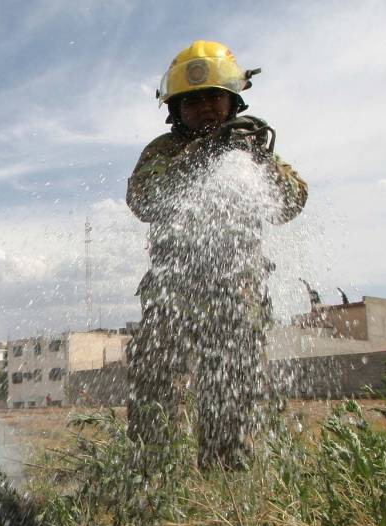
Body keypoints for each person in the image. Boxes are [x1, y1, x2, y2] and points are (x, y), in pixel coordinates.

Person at [125, 40, 307, 470]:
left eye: (214, 97)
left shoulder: (252, 149)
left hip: (236, 299)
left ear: (233, 101)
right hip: (172, 296)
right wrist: (202, 154)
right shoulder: (162, 151)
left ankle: (224, 492)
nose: (205, 108)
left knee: (232, 399)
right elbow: (143, 199)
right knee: (153, 390)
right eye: (193, 101)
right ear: (176, 110)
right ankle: (151, 480)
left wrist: (258, 159)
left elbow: (292, 202)